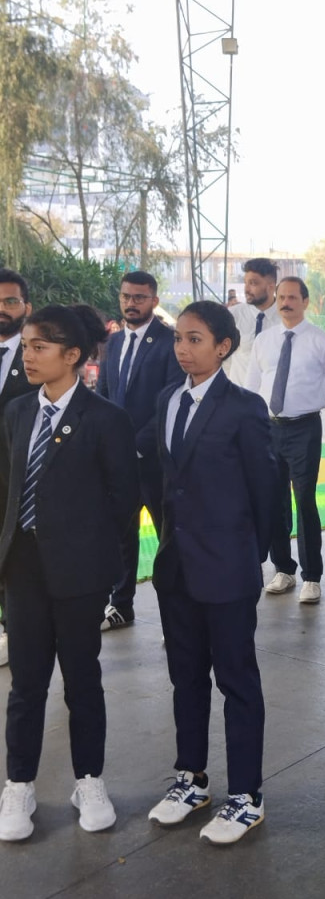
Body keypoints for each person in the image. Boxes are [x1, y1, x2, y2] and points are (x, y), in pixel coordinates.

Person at [0, 305, 139, 841]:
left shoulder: (106, 419)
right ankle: (19, 785)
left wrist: (91, 555)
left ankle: (89, 781)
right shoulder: (16, 412)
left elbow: (124, 501)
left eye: (40, 347)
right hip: (23, 569)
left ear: (73, 355)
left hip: (80, 572)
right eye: (26, 346)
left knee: (82, 680)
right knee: (26, 683)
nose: (28, 356)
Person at [148, 301, 276, 845]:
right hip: (176, 566)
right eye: (179, 337)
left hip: (227, 568)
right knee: (186, 677)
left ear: (223, 347)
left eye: (195, 339)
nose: (183, 348)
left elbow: (267, 491)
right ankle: (191, 779)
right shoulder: (167, 399)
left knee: (236, 681)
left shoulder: (244, 408)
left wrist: (249, 554)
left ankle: (246, 795)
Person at [246, 276, 325, 604]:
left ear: (305, 302)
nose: (286, 303)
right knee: (273, 500)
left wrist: (309, 401)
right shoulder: (264, 341)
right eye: (281, 297)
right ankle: (283, 569)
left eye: (292, 297)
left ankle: (312, 576)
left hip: (304, 428)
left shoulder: (322, 342)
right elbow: (252, 386)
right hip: (269, 429)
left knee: (304, 500)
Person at [96, 270, 183, 630]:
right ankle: (121, 605)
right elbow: (102, 396)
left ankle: (176, 615)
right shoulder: (113, 342)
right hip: (117, 464)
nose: (131, 303)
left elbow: (170, 400)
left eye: (139, 297)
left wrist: (134, 445)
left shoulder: (169, 342)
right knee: (121, 536)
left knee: (167, 539)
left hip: (154, 461)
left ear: (154, 301)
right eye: (126, 296)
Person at [0, 269, 35, 669]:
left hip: (18, 480)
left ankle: (15, 631)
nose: (3, 309)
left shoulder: (35, 356)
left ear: (26, 306)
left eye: (10, 301)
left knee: (13, 558)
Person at [226, 258, 280, 386]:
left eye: (253, 283)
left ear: (271, 287)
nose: (246, 289)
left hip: (271, 395)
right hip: (238, 393)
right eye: (245, 283)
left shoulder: (285, 319)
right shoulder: (233, 315)